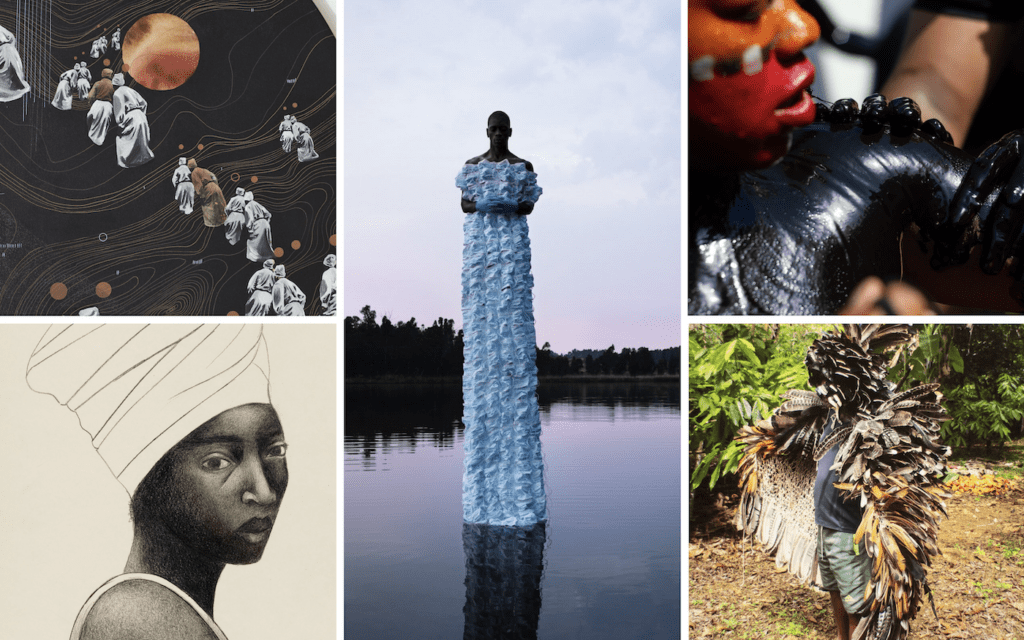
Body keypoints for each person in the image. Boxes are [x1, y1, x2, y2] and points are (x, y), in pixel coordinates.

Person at [26, 325, 287, 640]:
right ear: (151, 482)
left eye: (275, 451)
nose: (264, 492)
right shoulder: (135, 619)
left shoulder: (161, 611)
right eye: (217, 462)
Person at [457, 111, 547, 527]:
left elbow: (528, 204)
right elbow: (464, 203)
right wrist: (482, 203)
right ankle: (484, 504)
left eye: (502, 128)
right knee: (483, 355)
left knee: (511, 350)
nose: (497, 133)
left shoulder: (523, 167)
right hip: (481, 256)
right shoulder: (472, 166)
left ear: (509, 131)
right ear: (487, 131)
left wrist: (509, 204)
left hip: (509, 251)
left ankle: (519, 500)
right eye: (492, 128)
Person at [112, 73, 154, 168]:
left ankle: (128, 162)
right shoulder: (130, 90)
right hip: (141, 116)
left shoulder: (117, 93)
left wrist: (120, 123)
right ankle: (143, 160)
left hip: (130, 117)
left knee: (124, 141)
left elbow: (119, 113)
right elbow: (144, 103)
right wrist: (141, 113)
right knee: (141, 140)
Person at [188, 158, 227, 228]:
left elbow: (198, 186)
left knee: (209, 207)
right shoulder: (203, 170)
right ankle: (222, 222)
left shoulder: (194, 173)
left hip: (208, 189)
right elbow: (214, 177)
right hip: (216, 187)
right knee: (219, 206)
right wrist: (215, 186)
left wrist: (201, 195)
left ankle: (213, 225)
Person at [0, 24, 30, 102]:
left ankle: (15, 89)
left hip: (7, 53)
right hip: (8, 51)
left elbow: (11, 37)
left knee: (12, 73)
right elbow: (11, 37)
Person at [86, 69, 115, 146]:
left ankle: (90, 140)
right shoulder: (113, 85)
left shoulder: (97, 83)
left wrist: (92, 104)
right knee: (103, 125)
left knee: (90, 118)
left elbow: (90, 96)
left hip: (97, 104)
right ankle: (99, 142)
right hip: (108, 106)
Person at [244, 192, 274, 262]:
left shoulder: (248, 206)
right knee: (266, 241)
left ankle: (257, 258)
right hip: (265, 224)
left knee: (254, 242)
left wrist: (249, 229)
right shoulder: (257, 204)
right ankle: (267, 256)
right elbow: (268, 214)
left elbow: (250, 219)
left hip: (258, 224)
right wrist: (267, 222)